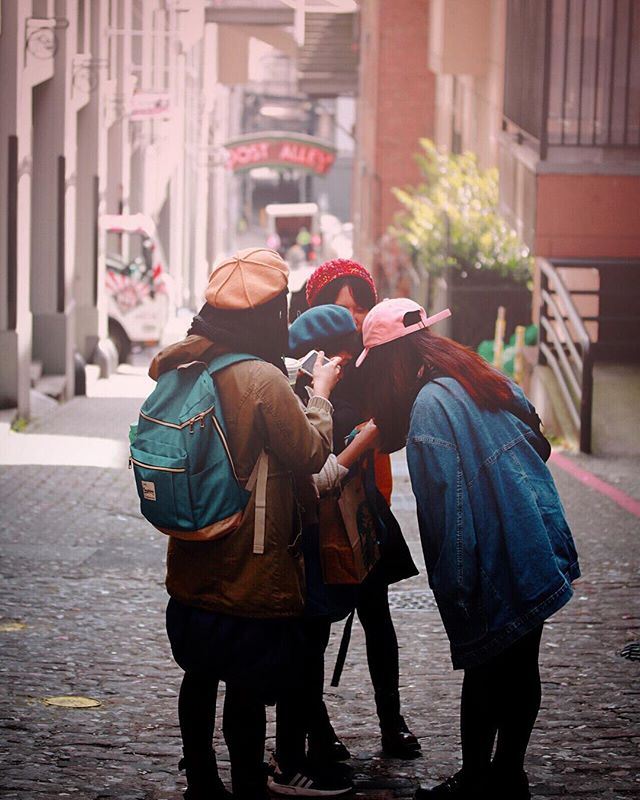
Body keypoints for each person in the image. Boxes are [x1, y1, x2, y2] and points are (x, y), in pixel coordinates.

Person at [354, 298, 581, 799]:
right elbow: (539, 443)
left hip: (494, 554)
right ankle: (508, 774)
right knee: (522, 665)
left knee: (483, 668)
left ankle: (477, 778)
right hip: (537, 539)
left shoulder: (429, 408)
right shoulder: (476, 373)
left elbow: (445, 516)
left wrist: (455, 591)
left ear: (390, 363)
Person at [149, 247, 342, 800]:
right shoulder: (261, 379)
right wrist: (321, 396)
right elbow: (308, 452)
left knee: (199, 676)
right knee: (246, 684)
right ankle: (249, 785)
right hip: (248, 564)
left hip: (190, 553)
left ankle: (202, 781)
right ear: (269, 314)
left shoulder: (182, 362)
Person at [304, 259, 421, 760]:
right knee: (313, 627)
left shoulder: (375, 362)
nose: (352, 317)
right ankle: (317, 728)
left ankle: (391, 722)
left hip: (366, 504)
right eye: (341, 307)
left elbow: (393, 432)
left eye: (360, 306)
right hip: (315, 511)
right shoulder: (302, 367)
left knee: (378, 616)